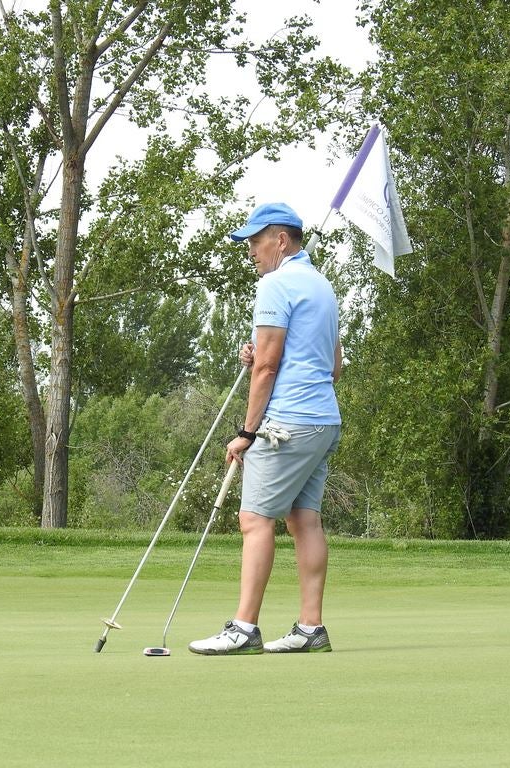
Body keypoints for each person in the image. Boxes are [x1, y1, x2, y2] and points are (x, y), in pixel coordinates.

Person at [188, 202, 342, 656]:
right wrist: (263, 354)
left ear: (281, 240)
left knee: (254, 519)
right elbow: (333, 366)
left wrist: (247, 432)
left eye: (255, 242)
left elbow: (268, 366)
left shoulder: (275, 285)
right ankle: (311, 628)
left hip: (288, 424)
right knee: (304, 519)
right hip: (323, 420)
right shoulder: (323, 286)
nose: (251, 252)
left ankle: (243, 628)